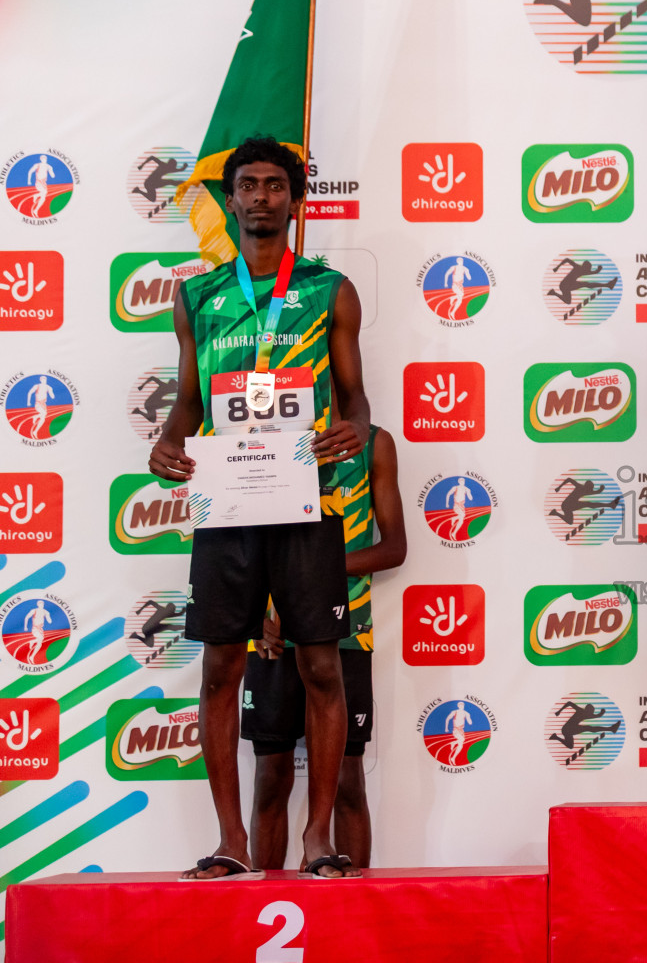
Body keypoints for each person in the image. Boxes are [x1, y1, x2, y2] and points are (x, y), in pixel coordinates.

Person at [148, 135, 371, 880]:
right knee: (220, 670)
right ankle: (231, 842)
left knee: (322, 667)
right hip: (229, 504)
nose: (261, 198)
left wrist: (355, 428)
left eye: (276, 185)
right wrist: (167, 441)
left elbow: (356, 398)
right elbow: (187, 402)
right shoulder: (198, 296)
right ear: (230, 199)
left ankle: (317, 840)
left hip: (307, 500)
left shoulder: (330, 289)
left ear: (296, 199)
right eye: (248, 185)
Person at [242, 426, 406, 871]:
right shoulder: (259, 438)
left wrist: (309, 569)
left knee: (348, 780)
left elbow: (394, 548)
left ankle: (353, 898)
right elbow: (235, 542)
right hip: (272, 634)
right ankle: (263, 897)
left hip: (345, 631)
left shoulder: (373, 442)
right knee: (270, 780)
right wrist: (254, 611)